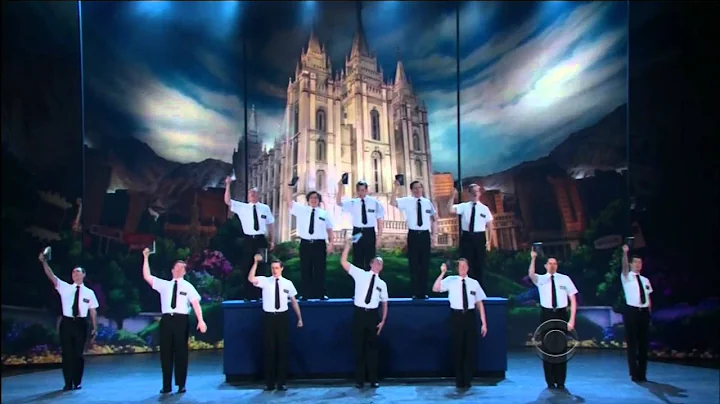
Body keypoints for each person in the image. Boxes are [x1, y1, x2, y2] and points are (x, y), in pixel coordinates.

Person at [142, 248, 207, 395]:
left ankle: (181, 384)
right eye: (177, 267)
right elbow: (147, 276)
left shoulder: (188, 286)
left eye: (182, 268)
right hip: (166, 320)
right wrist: (145, 257)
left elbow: (196, 303)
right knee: (165, 353)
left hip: (181, 320)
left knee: (181, 352)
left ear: (185, 272)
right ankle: (166, 385)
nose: (179, 270)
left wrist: (201, 320)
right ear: (172, 270)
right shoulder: (164, 285)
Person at [38, 250, 98, 391]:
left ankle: (77, 381)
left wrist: (95, 327)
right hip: (67, 323)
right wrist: (44, 262)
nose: (75, 275)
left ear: (83, 275)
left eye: (78, 272)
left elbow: (93, 310)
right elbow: (51, 276)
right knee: (67, 354)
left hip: (81, 324)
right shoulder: (64, 287)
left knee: (78, 354)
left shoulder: (89, 292)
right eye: (73, 273)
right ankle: (67, 383)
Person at [248, 254, 303, 391]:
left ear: (282, 269)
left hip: (282, 318)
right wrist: (255, 263)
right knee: (269, 350)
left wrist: (299, 318)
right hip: (269, 318)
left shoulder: (287, 283)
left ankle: (281, 383)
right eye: (272, 268)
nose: (274, 270)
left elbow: (294, 302)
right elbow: (251, 279)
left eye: (277, 268)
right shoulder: (265, 281)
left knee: (282, 350)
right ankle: (269, 383)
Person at [339, 236, 388, 389]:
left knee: (372, 348)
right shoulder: (360, 274)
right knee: (359, 347)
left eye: (380, 263)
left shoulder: (382, 284)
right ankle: (360, 380)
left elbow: (385, 303)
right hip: (360, 314)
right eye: (376, 262)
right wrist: (347, 247)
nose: (378, 264)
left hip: (372, 315)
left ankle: (373, 379)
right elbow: (344, 263)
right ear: (371, 264)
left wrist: (383, 320)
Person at [432, 259, 488, 389]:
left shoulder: (474, 283)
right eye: (460, 266)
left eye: (465, 266)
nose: (462, 268)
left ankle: (467, 379)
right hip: (456, 316)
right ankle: (459, 379)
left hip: (469, 316)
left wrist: (484, 323)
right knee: (457, 349)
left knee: (470, 350)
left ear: (468, 268)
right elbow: (435, 288)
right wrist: (442, 273)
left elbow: (479, 303)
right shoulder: (451, 280)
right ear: (457, 268)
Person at [528, 251, 578, 390]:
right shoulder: (541, 279)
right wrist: (533, 258)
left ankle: (561, 380)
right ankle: (550, 381)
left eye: (555, 263)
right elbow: (531, 274)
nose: (552, 265)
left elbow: (573, 300)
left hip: (561, 314)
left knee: (561, 348)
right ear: (545, 266)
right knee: (548, 348)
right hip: (546, 315)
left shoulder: (565, 279)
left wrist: (572, 319)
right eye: (550, 263)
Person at [224, 176, 275, 301]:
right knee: (247, 266)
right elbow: (228, 201)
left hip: (261, 240)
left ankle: (260, 295)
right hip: (248, 240)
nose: (252, 195)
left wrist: (272, 240)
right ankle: (248, 295)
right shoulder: (242, 207)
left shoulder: (265, 208)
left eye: (254, 193)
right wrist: (228, 185)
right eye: (250, 193)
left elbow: (271, 224)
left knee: (262, 266)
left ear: (258, 195)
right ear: (248, 196)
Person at [391, 179, 438, 299]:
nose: (418, 190)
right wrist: (395, 188)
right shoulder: (407, 201)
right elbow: (392, 202)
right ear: (412, 190)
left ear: (422, 189)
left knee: (424, 264)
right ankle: (415, 292)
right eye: (415, 188)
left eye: (419, 188)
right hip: (413, 235)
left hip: (425, 236)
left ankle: (423, 292)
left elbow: (434, 218)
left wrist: (434, 236)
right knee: (414, 264)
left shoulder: (427, 202)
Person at [287, 189, 334, 300]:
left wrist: (331, 243)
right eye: (311, 198)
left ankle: (321, 294)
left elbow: (329, 229)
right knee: (305, 269)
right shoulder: (302, 210)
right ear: (308, 200)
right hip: (306, 244)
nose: (314, 200)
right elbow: (289, 202)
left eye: (316, 198)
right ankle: (305, 294)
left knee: (320, 269)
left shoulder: (324, 213)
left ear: (319, 201)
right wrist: (289, 187)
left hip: (319, 244)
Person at [447, 184, 494, 286]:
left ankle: (479, 290)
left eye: (477, 191)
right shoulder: (464, 206)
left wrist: (489, 241)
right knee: (466, 263)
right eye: (473, 191)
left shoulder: (484, 209)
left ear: (479, 193)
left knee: (479, 264)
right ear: (469, 193)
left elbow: (490, 226)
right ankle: (466, 288)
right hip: (467, 237)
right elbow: (450, 210)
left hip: (479, 237)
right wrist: (452, 197)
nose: (475, 193)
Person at [620, 244, 652, 382]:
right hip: (632, 312)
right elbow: (624, 268)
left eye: (640, 262)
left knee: (643, 344)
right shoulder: (627, 277)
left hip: (643, 312)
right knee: (633, 343)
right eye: (636, 262)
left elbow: (648, 298)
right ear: (631, 264)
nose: (638, 265)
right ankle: (634, 373)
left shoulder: (645, 280)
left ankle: (642, 373)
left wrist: (649, 313)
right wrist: (625, 254)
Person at [336, 179, 385, 270]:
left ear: (366, 190)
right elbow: (339, 203)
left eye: (363, 190)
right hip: (357, 232)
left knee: (370, 258)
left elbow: (380, 220)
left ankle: (370, 281)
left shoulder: (375, 203)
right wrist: (340, 188)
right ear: (357, 191)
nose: (361, 192)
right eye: (359, 190)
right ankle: (358, 281)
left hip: (369, 232)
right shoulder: (353, 202)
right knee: (357, 257)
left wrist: (379, 237)